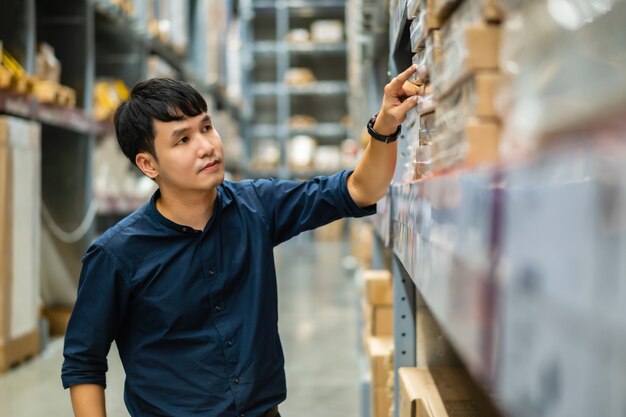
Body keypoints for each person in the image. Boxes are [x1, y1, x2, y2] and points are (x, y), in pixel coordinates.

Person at [61, 65, 419, 417]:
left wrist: (385, 126)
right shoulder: (117, 254)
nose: (206, 146)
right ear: (148, 164)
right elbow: (84, 362)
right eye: (183, 139)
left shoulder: (256, 207)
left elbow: (359, 189)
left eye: (206, 127)